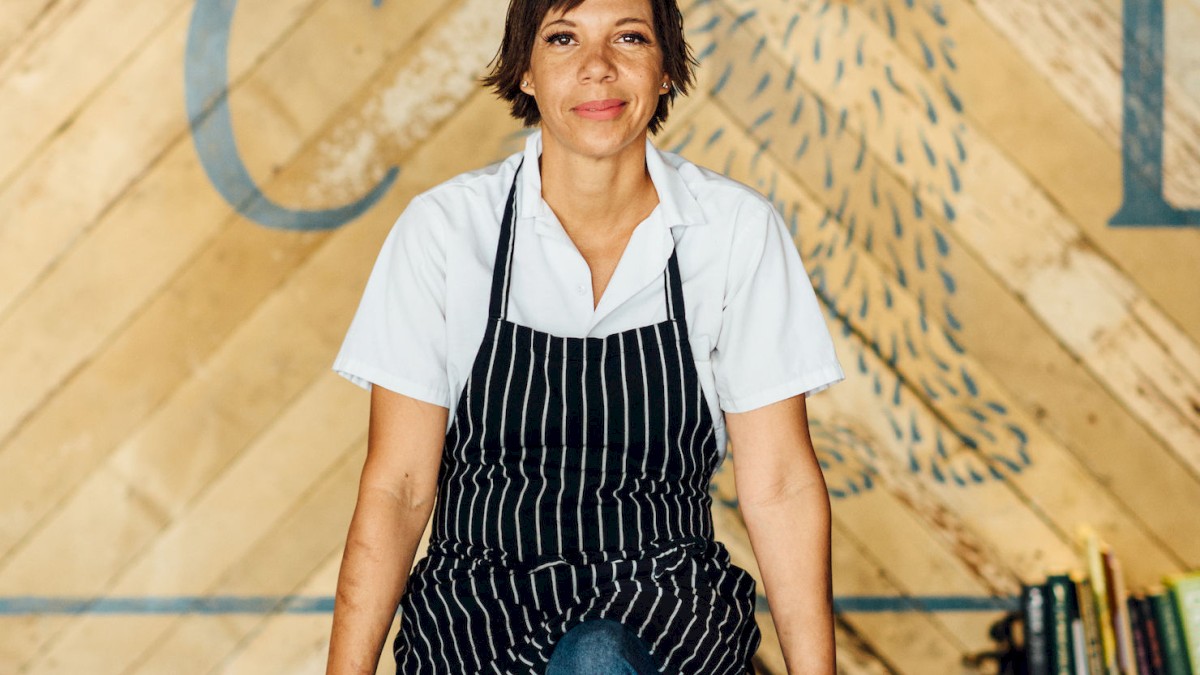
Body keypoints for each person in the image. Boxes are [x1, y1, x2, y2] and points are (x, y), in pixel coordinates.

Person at [326, 0, 845, 672]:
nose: (597, 68)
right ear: (527, 72)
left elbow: (779, 485)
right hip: (477, 612)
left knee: (598, 656)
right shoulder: (447, 232)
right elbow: (398, 486)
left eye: (629, 38)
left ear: (666, 71)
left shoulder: (736, 232)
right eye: (564, 38)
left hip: (668, 609)